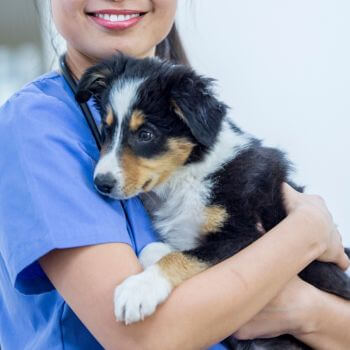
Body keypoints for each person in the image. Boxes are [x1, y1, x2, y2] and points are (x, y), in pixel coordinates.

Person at [0, 1, 349, 349]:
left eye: (145, 135)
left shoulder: (198, 124)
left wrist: (308, 310)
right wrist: (305, 233)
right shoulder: (39, 126)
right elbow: (141, 340)